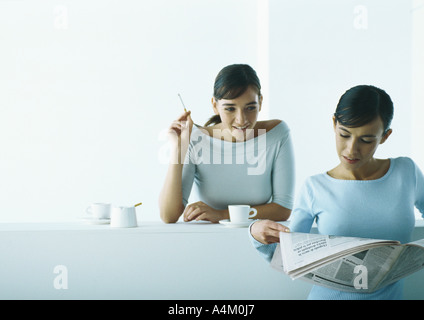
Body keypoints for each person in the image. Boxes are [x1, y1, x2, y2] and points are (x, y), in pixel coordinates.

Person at [249, 85, 424, 300]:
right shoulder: (315, 187)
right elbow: (291, 259)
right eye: (344, 134)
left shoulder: (406, 172)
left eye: (366, 140)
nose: (351, 149)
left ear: (385, 136)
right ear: (334, 124)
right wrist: (255, 231)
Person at [159, 64, 295, 223]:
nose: (242, 120)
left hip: (261, 241)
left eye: (250, 108)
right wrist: (178, 150)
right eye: (230, 109)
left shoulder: (277, 135)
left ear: (261, 101)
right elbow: (168, 215)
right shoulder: (194, 139)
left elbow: (283, 209)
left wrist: (222, 215)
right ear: (215, 105)